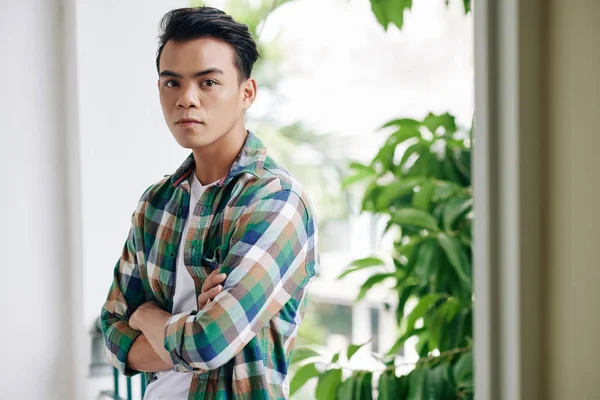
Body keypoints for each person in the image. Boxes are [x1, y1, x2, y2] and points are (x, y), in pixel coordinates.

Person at [100, 6, 318, 400]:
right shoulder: (156, 203)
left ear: (246, 92)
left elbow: (208, 344)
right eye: (172, 83)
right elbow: (113, 335)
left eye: (208, 82)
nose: (186, 99)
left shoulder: (277, 201)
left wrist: (146, 315)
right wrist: (187, 325)